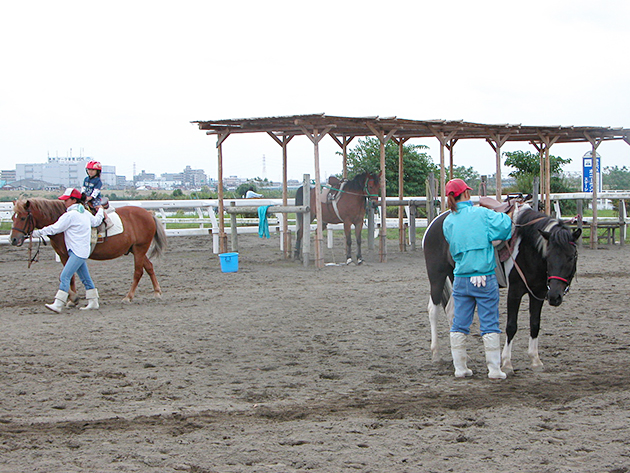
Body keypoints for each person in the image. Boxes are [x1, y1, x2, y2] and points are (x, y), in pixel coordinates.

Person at [442, 178, 512, 380]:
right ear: (465, 194)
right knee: (489, 322)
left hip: (461, 278)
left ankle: (460, 368)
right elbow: (505, 226)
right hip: (485, 276)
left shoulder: (448, 221)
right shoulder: (482, 213)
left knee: (459, 323)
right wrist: (497, 208)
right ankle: (494, 369)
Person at [31, 188, 105, 313]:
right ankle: (93, 301)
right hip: (81, 251)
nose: (64, 202)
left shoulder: (69, 215)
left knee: (64, 276)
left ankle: (58, 303)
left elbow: (54, 229)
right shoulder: (85, 213)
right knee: (85, 278)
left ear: (73, 200)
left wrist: (36, 233)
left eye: (66, 200)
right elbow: (96, 221)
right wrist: (101, 211)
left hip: (76, 252)